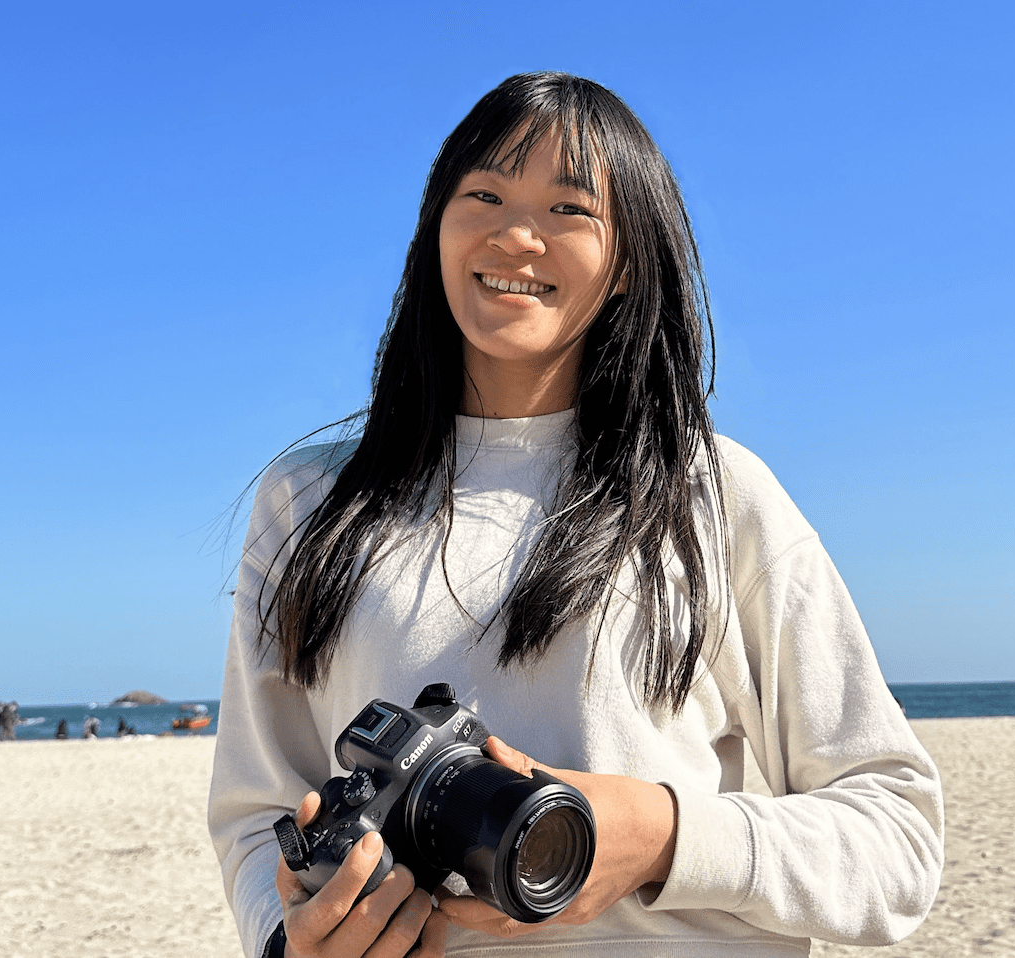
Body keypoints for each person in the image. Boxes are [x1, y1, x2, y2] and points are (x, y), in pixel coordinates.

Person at [209, 72, 944, 958]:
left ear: (628, 260)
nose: (515, 234)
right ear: (434, 228)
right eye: (481, 193)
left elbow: (899, 841)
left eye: (569, 209)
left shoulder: (715, 492)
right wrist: (293, 943)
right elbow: (257, 817)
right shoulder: (310, 501)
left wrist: (660, 836)